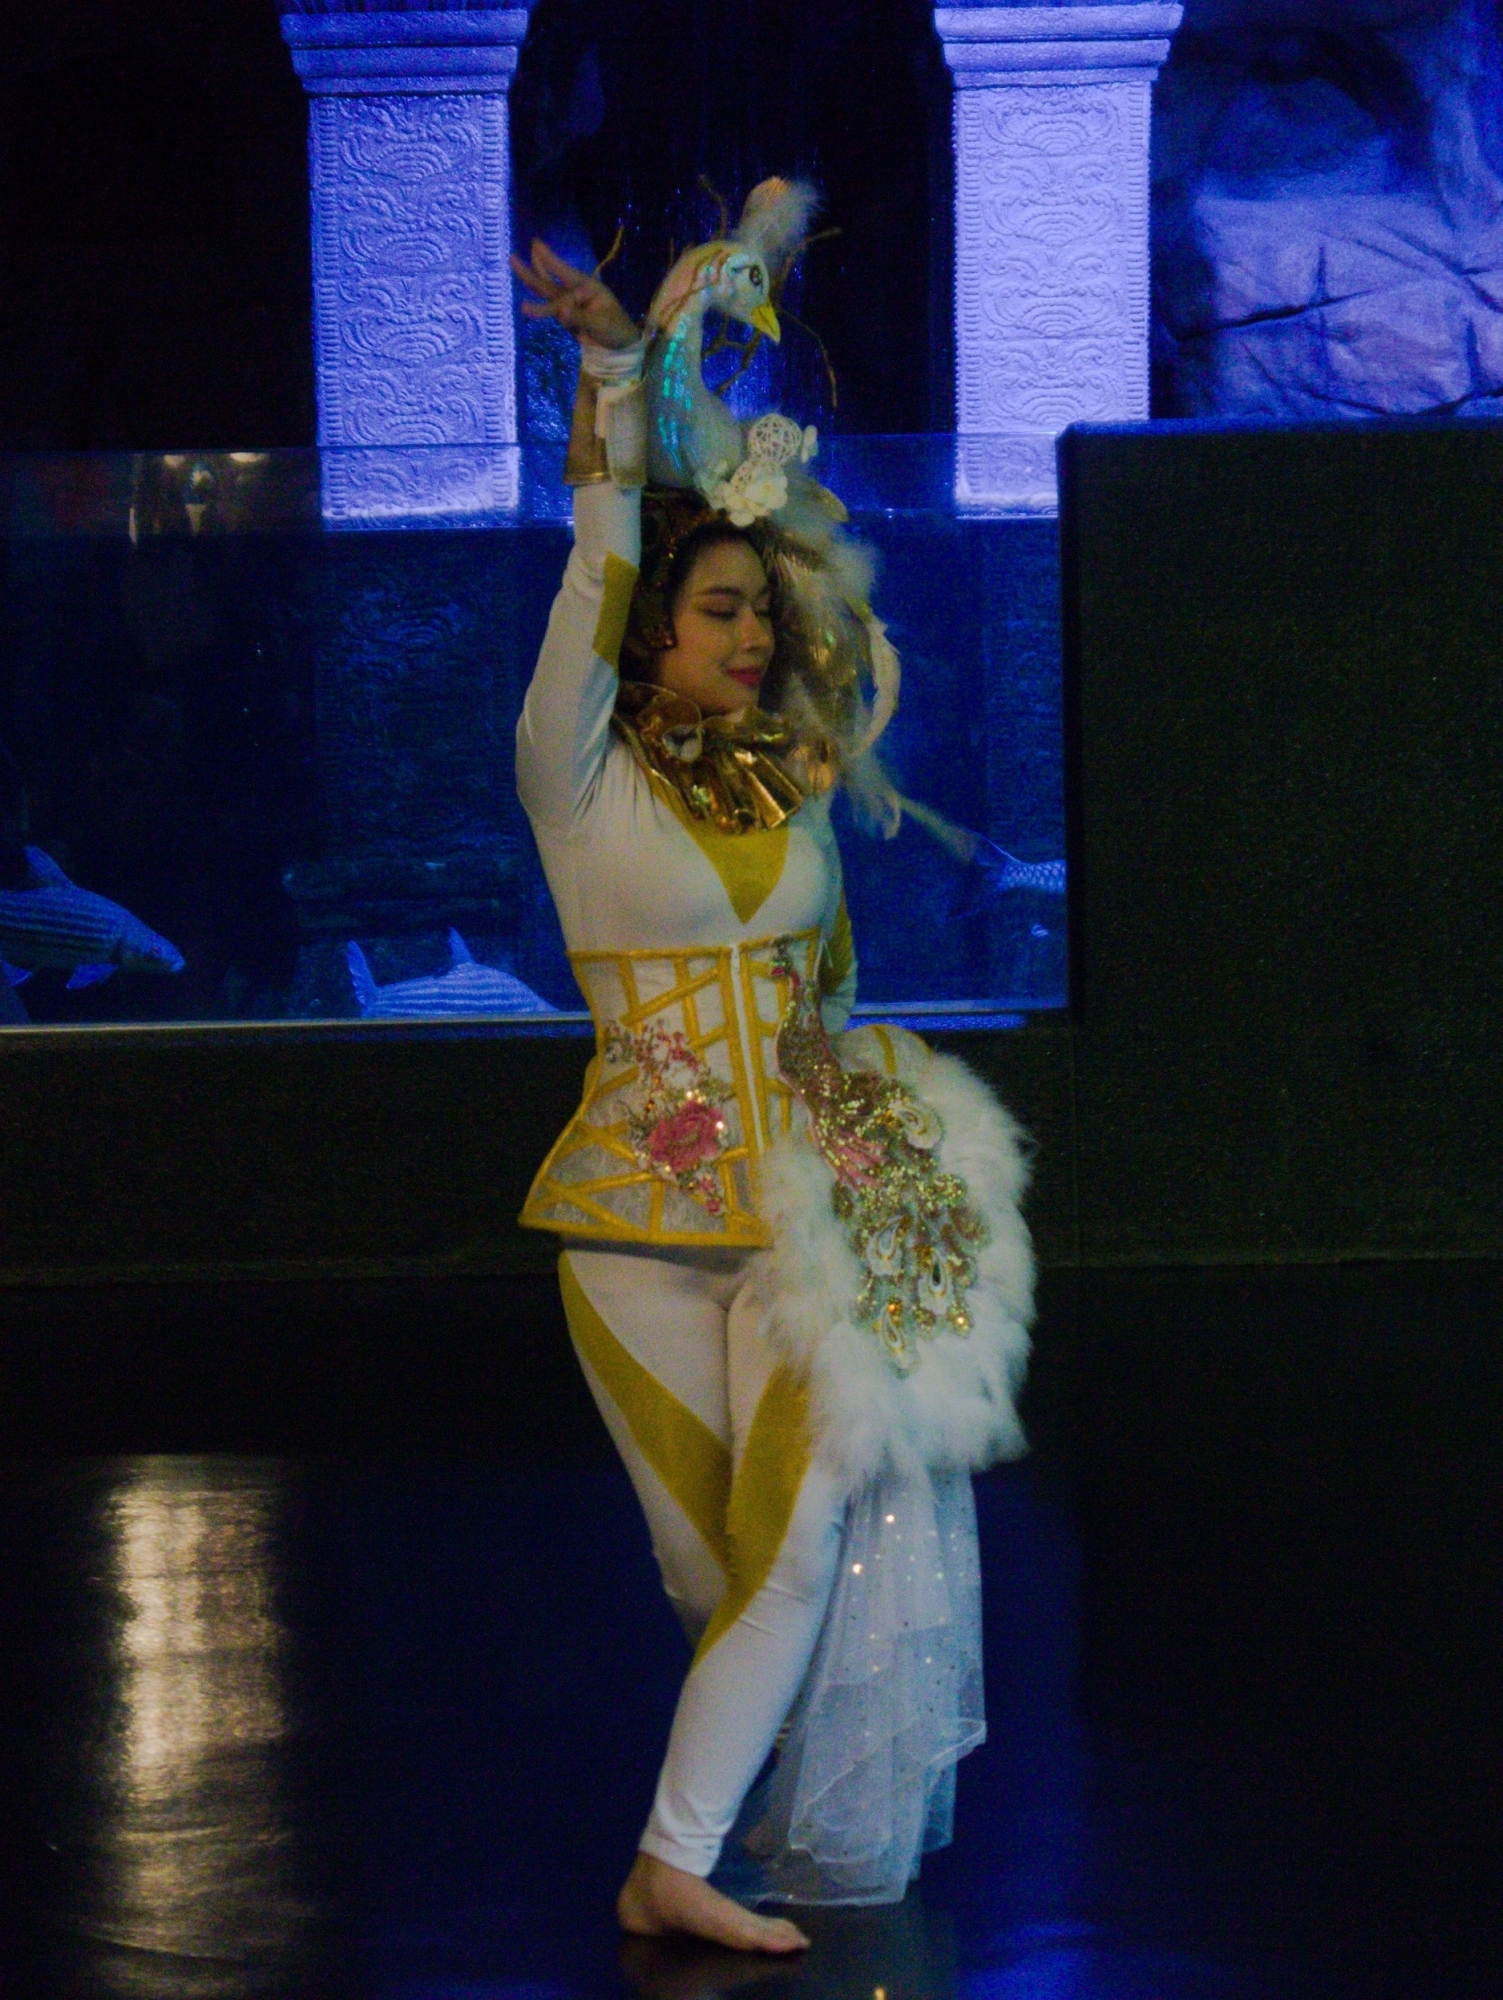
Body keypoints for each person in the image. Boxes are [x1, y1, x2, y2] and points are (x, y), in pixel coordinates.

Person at [510, 214, 1034, 1956]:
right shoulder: (576, 780)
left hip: (809, 1212)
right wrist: (613, 373)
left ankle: (671, 1859)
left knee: (798, 1546)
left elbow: (837, 976)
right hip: (633, 1230)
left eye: (760, 610)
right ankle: (722, 1820)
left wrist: (884, 1163)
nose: (752, 634)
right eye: (718, 610)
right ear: (650, 636)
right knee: (715, 1574)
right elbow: (597, 562)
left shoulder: (788, 785)